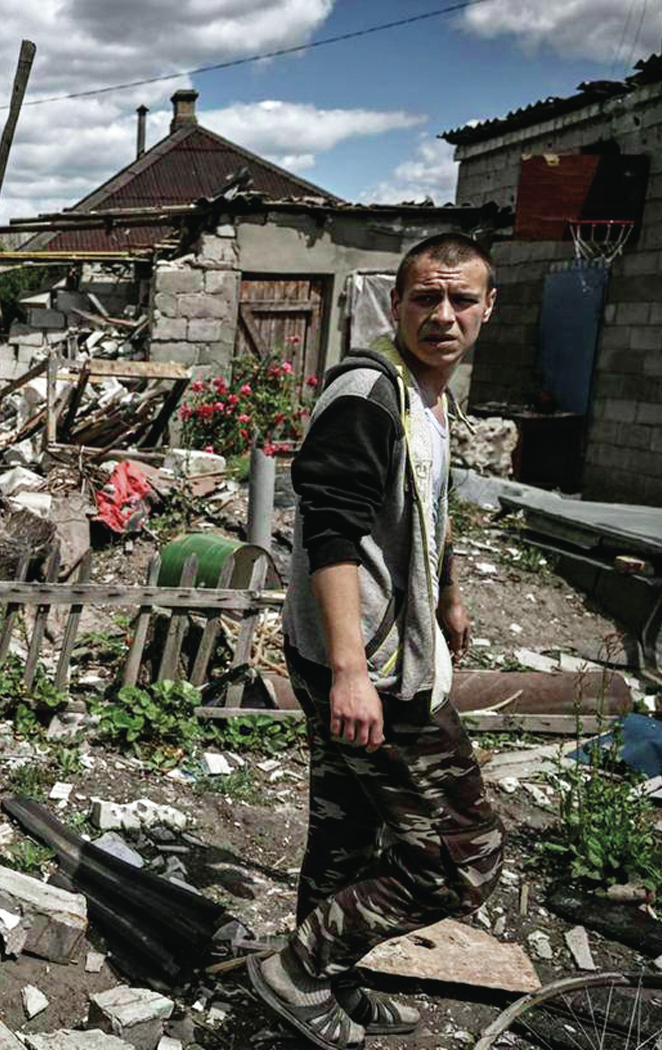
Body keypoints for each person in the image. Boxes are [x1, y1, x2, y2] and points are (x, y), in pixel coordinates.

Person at [247, 234, 506, 1048]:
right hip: (366, 665)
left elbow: (428, 506)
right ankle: (294, 971)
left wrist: (450, 596)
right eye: (425, 298)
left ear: (486, 308)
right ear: (393, 306)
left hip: (372, 651)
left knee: (347, 827)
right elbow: (326, 528)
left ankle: (327, 977)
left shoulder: (427, 395)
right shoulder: (367, 391)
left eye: (461, 300)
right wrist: (353, 672)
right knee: (462, 856)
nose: (443, 315)